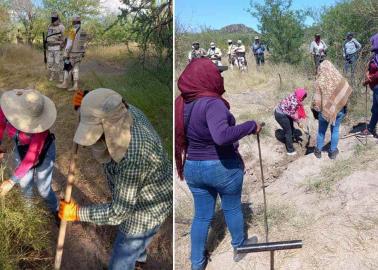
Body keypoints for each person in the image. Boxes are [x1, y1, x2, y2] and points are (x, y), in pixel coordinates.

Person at [59, 88, 173, 269]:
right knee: (137, 246)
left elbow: (119, 212)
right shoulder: (122, 111)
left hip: (147, 209)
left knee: (125, 251)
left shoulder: (133, 156)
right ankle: (138, 261)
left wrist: (77, 213)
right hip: (152, 187)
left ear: (109, 127)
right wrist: (87, 104)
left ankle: (130, 261)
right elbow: (104, 106)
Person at [175, 58, 262, 270]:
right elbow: (221, 136)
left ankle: (197, 262)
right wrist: (251, 125)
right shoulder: (212, 103)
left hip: (193, 167)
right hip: (221, 166)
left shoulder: (182, 102)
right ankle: (240, 246)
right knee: (232, 208)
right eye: (218, 73)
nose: (221, 76)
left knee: (202, 216)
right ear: (207, 77)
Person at [0, 89, 59, 220]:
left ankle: (56, 210)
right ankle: (30, 219)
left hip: (44, 151)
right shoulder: (7, 107)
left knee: (43, 189)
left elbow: (31, 157)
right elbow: (0, 124)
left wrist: (11, 181)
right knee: (25, 186)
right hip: (20, 147)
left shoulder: (40, 128)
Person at [312, 60, 352, 159]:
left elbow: (316, 101)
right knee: (335, 130)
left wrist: (316, 110)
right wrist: (344, 106)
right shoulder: (340, 78)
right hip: (339, 110)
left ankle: (318, 151)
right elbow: (345, 92)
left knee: (321, 131)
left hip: (324, 111)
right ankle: (333, 152)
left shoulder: (319, 81)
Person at [57, 15, 87, 91]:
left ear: (73, 22)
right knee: (76, 69)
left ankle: (65, 84)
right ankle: (75, 86)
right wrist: (83, 52)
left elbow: (69, 44)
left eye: (72, 21)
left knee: (67, 68)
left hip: (72, 53)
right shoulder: (83, 30)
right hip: (80, 53)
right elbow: (84, 44)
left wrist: (65, 53)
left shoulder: (72, 30)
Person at [274, 88, 307, 156]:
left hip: (284, 112)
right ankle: (290, 150)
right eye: (303, 97)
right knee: (288, 131)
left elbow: (292, 112)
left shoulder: (294, 95)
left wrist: (297, 121)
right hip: (280, 115)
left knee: (291, 125)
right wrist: (298, 122)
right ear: (300, 96)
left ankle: (291, 138)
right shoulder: (294, 102)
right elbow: (292, 114)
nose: (303, 99)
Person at [362, 33, 378, 137]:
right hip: (375, 87)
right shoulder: (375, 55)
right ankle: (371, 128)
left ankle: (371, 128)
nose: (371, 43)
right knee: (376, 108)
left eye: (373, 41)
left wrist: (368, 80)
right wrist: (367, 73)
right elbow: (370, 67)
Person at [46, 11, 65, 82]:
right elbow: (48, 36)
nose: (53, 20)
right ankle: (52, 76)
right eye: (52, 18)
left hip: (57, 48)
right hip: (50, 48)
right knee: (50, 63)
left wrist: (61, 46)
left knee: (58, 63)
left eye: (54, 18)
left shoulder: (61, 27)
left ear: (58, 18)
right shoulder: (49, 26)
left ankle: (61, 77)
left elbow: (63, 38)